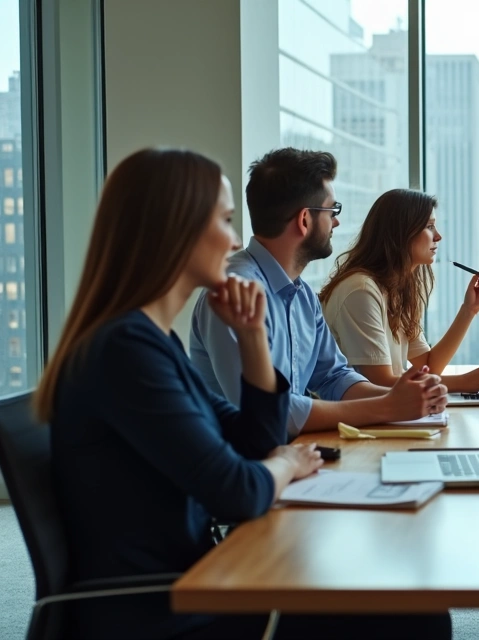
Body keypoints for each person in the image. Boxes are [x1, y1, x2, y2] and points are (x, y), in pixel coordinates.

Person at [37, 148, 451, 639]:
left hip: (202, 576)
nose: (236, 239)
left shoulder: (152, 341)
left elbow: (252, 439)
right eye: (226, 220)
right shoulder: (126, 352)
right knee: (416, 619)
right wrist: (291, 463)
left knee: (405, 605)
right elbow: (238, 489)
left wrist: (255, 341)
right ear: (177, 230)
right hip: (168, 608)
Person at [190, 148, 447, 439]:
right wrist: (387, 406)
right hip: (244, 467)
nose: (336, 222)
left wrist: (404, 397)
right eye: (332, 211)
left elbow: (334, 377)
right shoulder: (235, 292)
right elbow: (270, 414)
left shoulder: (302, 296)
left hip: (291, 456)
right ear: (304, 220)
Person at [318, 188, 479, 392]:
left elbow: (430, 365)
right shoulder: (361, 291)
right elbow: (379, 382)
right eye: (429, 227)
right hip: (355, 421)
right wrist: (463, 382)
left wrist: (468, 311)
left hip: (383, 414)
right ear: (401, 232)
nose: (438, 236)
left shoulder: (397, 289)